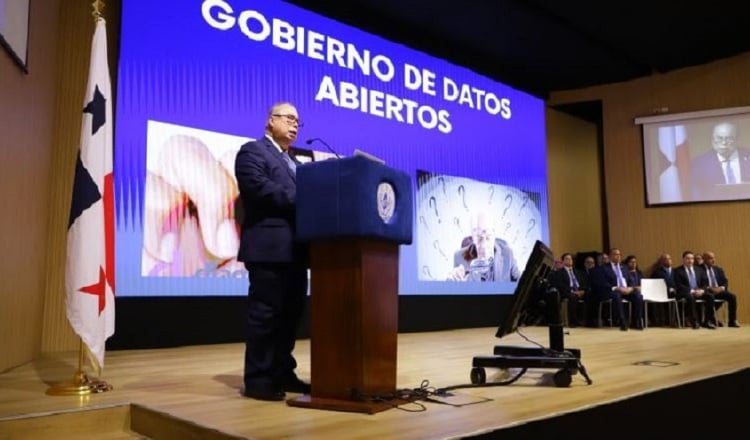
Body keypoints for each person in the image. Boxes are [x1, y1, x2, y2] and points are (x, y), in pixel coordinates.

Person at [234, 102, 310, 401]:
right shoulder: (252, 151)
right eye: (289, 118)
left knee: (290, 317)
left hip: (296, 252)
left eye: (297, 122)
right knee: (266, 316)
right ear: (270, 121)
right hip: (268, 249)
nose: (294, 125)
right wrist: (307, 197)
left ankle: (282, 372)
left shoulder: (297, 163)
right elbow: (260, 189)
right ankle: (259, 380)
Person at [447, 211, 520, 282]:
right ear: (472, 236)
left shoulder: (507, 254)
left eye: (488, 237)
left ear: (494, 235)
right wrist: (452, 281)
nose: (483, 245)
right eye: (478, 237)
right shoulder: (459, 257)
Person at [691, 121, 750, 199]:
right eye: (719, 138)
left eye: (729, 138)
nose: (724, 142)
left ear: (737, 140)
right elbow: (697, 196)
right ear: (712, 140)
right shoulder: (699, 164)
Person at [590, 248, 644, 331]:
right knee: (617, 295)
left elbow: (629, 280)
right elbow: (603, 283)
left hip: (626, 290)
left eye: (619, 255)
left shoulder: (624, 267)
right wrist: (616, 288)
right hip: (611, 291)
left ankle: (636, 321)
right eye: (615, 254)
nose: (618, 256)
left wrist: (631, 288)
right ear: (610, 256)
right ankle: (622, 322)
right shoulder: (603, 268)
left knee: (638, 296)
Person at [673, 250, 715, 329]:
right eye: (688, 258)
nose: (690, 261)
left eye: (692, 259)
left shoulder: (699, 270)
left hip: (699, 291)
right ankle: (694, 322)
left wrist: (702, 290)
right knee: (690, 298)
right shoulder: (677, 271)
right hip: (686, 293)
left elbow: (705, 283)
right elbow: (679, 285)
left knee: (710, 297)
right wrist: (692, 291)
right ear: (683, 259)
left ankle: (707, 321)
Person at [702, 251, 740, 327]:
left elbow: (725, 281)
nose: (713, 260)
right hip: (708, 292)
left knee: (732, 297)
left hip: (719, 291)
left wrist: (721, 288)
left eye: (714, 258)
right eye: (710, 258)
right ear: (704, 259)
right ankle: (709, 320)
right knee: (710, 298)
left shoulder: (718, 269)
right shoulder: (699, 269)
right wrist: (710, 288)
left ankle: (732, 321)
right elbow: (699, 282)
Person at [551, 253, 588, 327]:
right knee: (572, 297)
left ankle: (588, 320)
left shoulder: (578, 272)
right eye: (567, 259)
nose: (570, 260)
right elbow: (560, 285)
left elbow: (584, 283)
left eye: (571, 259)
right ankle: (573, 321)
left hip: (579, 291)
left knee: (591, 294)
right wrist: (573, 291)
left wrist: (583, 291)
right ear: (563, 261)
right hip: (567, 292)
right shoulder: (559, 273)